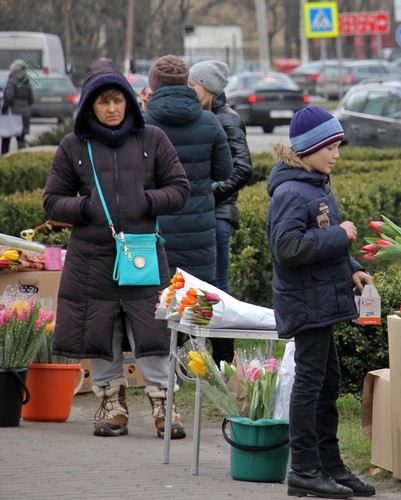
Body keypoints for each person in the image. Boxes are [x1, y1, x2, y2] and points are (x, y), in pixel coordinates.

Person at [42, 59, 191, 438]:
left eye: (117, 100)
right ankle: (111, 401)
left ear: (128, 101)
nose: (111, 108)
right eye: (103, 102)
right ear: (89, 106)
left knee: (153, 329)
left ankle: (164, 403)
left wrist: (147, 201)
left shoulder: (153, 139)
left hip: (142, 252)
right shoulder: (74, 145)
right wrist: (85, 207)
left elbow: (180, 189)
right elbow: (52, 200)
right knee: (99, 330)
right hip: (92, 258)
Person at [267, 106, 376, 498]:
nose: (337, 154)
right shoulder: (292, 192)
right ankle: (305, 469)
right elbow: (287, 248)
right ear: (309, 149)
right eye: (330, 146)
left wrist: (351, 268)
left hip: (322, 300)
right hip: (306, 304)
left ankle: (331, 466)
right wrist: (342, 237)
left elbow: (321, 239)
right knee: (310, 384)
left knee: (328, 382)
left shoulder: (315, 185)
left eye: (338, 146)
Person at [143, 55, 233, 284]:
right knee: (196, 309)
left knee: (159, 308)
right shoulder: (210, 121)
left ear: (153, 84)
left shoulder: (143, 125)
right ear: (186, 81)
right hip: (199, 234)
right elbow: (224, 172)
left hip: (156, 233)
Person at [188, 60, 253, 365]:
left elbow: (242, 169)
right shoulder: (200, 117)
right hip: (201, 216)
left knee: (218, 289)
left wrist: (204, 194)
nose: (188, 91)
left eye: (193, 86)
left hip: (217, 216)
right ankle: (194, 359)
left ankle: (224, 361)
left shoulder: (227, 119)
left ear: (210, 90)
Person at [2, 59, 34, 154]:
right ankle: (22, 159)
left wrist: (4, 108)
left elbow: (8, 97)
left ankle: (4, 160)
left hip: (12, 114)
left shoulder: (12, 81)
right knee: (21, 139)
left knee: (6, 138)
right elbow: (32, 99)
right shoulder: (27, 81)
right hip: (25, 114)